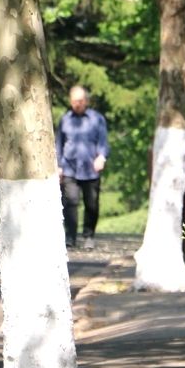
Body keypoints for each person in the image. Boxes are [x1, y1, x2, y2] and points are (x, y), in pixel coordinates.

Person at [56, 85, 109, 250]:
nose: (77, 104)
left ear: (86, 101)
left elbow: (103, 142)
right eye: (74, 101)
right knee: (70, 203)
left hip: (91, 170)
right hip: (69, 168)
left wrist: (101, 157)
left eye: (80, 101)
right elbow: (59, 144)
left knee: (91, 205)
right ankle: (70, 237)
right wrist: (58, 166)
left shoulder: (97, 119)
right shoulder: (65, 120)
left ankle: (88, 236)